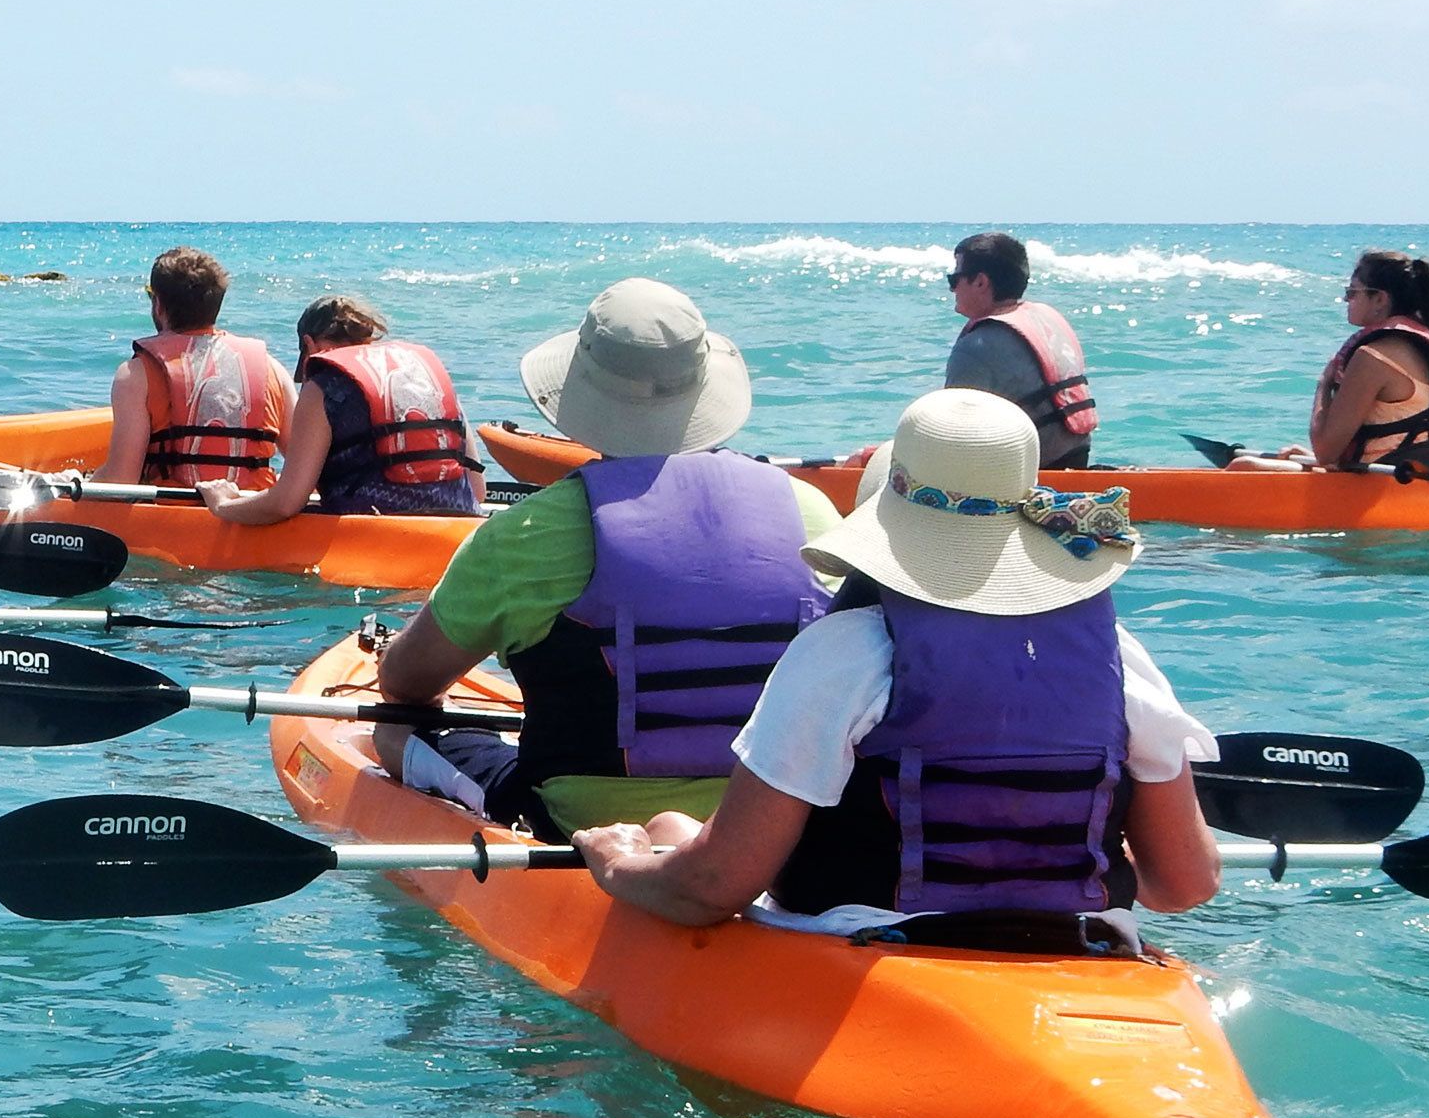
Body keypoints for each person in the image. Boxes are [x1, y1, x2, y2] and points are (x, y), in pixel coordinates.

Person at [573, 387, 1222, 943]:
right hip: (1084, 947)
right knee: (675, 828)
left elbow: (712, 887)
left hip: (875, 948)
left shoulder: (846, 652)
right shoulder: (1120, 660)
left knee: (666, 830)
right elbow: (1185, 884)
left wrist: (617, 865)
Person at [369, 279, 844, 838]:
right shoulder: (811, 512)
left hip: (583, 823)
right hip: (776, 824)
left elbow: (407, 684)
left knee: (393, 729)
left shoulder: (528, 532)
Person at [196, 295, 483, 523]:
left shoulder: (323, 385)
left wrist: (223, 505)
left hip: (376, 532)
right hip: (457, 525)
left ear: (309, 344)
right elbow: (478, 489)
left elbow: (285, 504)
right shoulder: (425, 373)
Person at [1224, 251, 1429, 473]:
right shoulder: (1421, 345)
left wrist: (1324, 383)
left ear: (1379, 299)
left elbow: (1325, 452)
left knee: (1242, 466)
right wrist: (1315, 460)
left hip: (1380, 484)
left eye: (1352, 292)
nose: (1346, 299)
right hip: (1411, 475)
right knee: (1288, 458)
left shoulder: (1374, 357)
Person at [99, 246, 291, 489]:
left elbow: (120, 480)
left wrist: (71, 482)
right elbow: (308, 464)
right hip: (255, 509)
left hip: (171, 510)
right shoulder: (273, 370)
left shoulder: (135, 376)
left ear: (158, 305)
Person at [941, 232, 1098, 468]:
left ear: (981, 282)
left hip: (1023, 474)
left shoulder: (976, 347)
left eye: (954, 279)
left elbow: (951, 436)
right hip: (1076, 458)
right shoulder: (1047, 319)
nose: (952, 289)